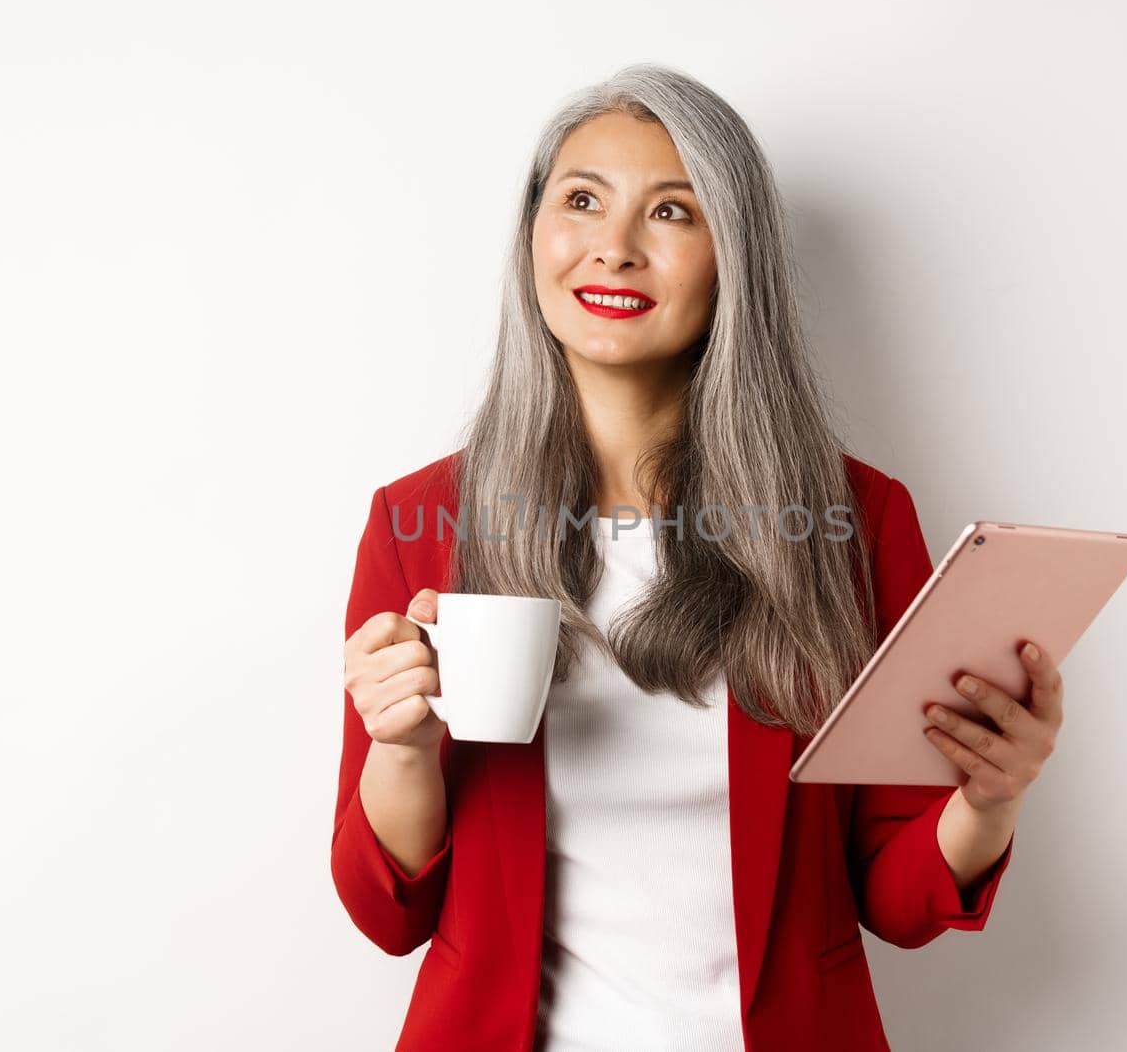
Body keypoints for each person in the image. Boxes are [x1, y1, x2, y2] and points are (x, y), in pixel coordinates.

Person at [333, 63, 1064, 1052]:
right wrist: (401, 745)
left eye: (672, 211)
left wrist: (989, 796)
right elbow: (390, 914)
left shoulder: (855, 520)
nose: (614, 247)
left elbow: (895, 898)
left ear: (734, 257)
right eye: (581, 199)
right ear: (530, 237)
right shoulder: (422, 522)